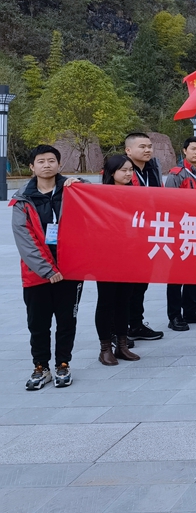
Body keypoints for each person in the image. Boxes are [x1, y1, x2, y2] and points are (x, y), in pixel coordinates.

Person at [11, 145, 83, 390]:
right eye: (40, 161)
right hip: (37, 274)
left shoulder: (74, 190)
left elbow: (96, 206)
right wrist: (47, 270)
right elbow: (24, 239)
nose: (46, 165)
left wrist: (82, 182)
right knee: (38, 324)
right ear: (32, 167)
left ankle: (63, 364)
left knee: (66, 321)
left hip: (70, 269)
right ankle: (40, 366)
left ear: (59, 165)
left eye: (51, 160)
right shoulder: (23, 199)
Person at [163, 137, 196, 331]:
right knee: (177, 276)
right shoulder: (177, 175)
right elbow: (169, 204)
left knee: (195, 273)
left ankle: (191, 311)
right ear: (184, 151)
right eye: (193, 149)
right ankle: (174, 316)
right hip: (181, 231)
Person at [95, 155, 141, 366]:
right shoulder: (99, 195)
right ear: (111, 172)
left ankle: (122, 345)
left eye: (130, 170)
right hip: (105, 258)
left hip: (129, 256)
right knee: (106, 302)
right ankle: (105, 348)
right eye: (123, 170)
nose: (128, 173)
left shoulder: (136, 194)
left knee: (124, 301)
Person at [123, 132, 164, 343]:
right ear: (128, 150)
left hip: (148, 237)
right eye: (142, 146)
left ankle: (136, 324)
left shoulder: (152, 170)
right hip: (127, 240)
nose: (147, 150)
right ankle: (120, 330)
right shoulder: (121, 171)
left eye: (149, 146)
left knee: (141, 285)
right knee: (125, 287)